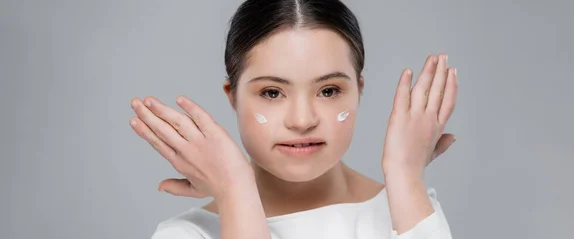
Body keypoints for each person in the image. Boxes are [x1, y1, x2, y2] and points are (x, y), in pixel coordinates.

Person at [129, 0, 458, 238]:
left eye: (328, 90)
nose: (302, 120)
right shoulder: (188, 234)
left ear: (358, 90)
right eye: (272, 93)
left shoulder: (410, 209)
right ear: (233, 95)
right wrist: (235, 191)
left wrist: (404, 174)